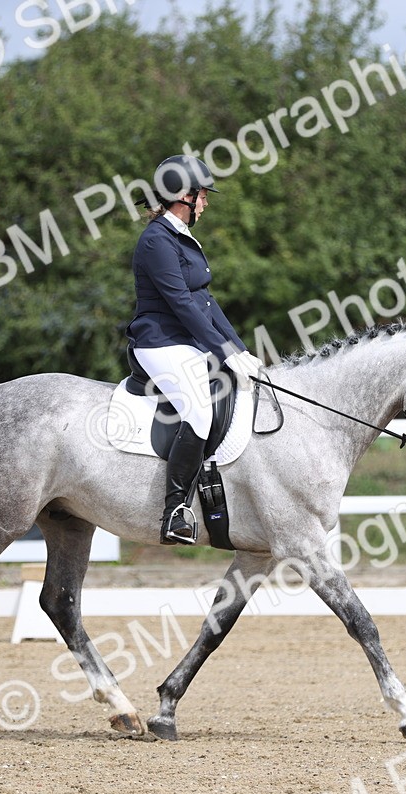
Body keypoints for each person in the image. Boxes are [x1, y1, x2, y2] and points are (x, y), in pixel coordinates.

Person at [126, 155, 262, 545]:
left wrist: (238, 350)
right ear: (183, 196)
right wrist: (221, 349)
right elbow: (181, 303)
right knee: (200, 411)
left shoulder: (180, 235)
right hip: (158, 341)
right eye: (202, 195)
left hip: (184, 341)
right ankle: (175, 511)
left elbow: (205, 300)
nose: (206, 202)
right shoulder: (156, 241)